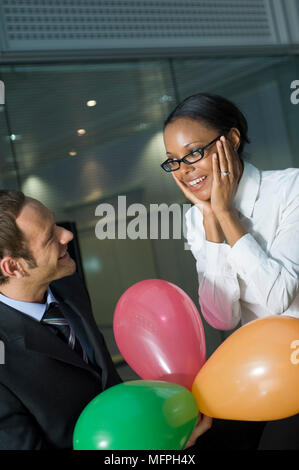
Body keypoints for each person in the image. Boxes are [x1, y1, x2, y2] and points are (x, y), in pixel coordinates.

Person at [0, 190, 210, 450]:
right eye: (49, 237)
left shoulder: (68, 285)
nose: (66, 235)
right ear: (13, 267)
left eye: (55, 223)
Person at [161, 93, 299, 450]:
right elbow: (222, 318)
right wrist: (209, 221)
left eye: (193, 153)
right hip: (260, 371)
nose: (185, 169)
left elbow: (279, 296)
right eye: (173, 162)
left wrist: (225, 215)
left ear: (232, 140)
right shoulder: (196, 218)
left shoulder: (290, 189)